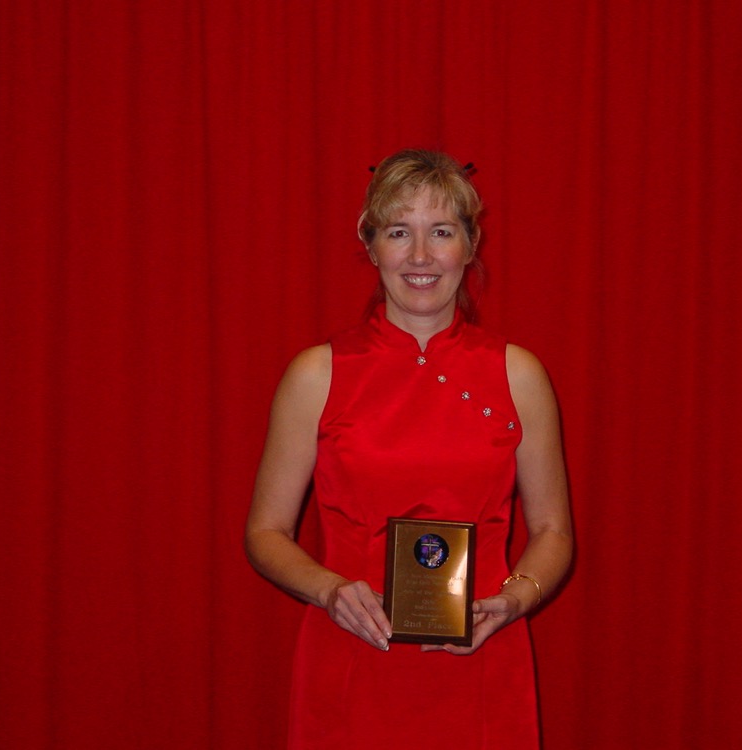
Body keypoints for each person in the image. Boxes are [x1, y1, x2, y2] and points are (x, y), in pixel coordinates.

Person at [245, 149, 572, 748]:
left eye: (441, 232)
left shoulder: (519, 375)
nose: (421, 256)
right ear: (371, 247)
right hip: (352, 661)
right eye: (399, 232)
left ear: (470, 245)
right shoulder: (317, 374)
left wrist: (516, 599)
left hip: (483, 663)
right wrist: (328, 591)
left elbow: (553, 531)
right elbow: (265, 532)